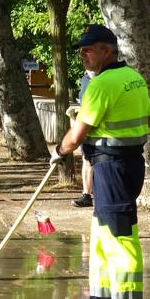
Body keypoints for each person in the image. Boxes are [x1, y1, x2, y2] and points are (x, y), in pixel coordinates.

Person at [50, 24, 150, 299]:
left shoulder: (101, 85)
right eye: (81, 49)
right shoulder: (133, 78)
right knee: (101, 243)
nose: (84, 54)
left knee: (120, 244)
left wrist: (59, 151)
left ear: (107, 51)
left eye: (89, 49)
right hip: (126, 164)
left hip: (111, 167)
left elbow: (76, 136)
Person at [68, 71, 95, 208]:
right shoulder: (85, 79)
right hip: (86, 127)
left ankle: (93, 194)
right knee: (87, 160)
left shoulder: (102, 80)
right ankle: (87, 195)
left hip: (100, 130)